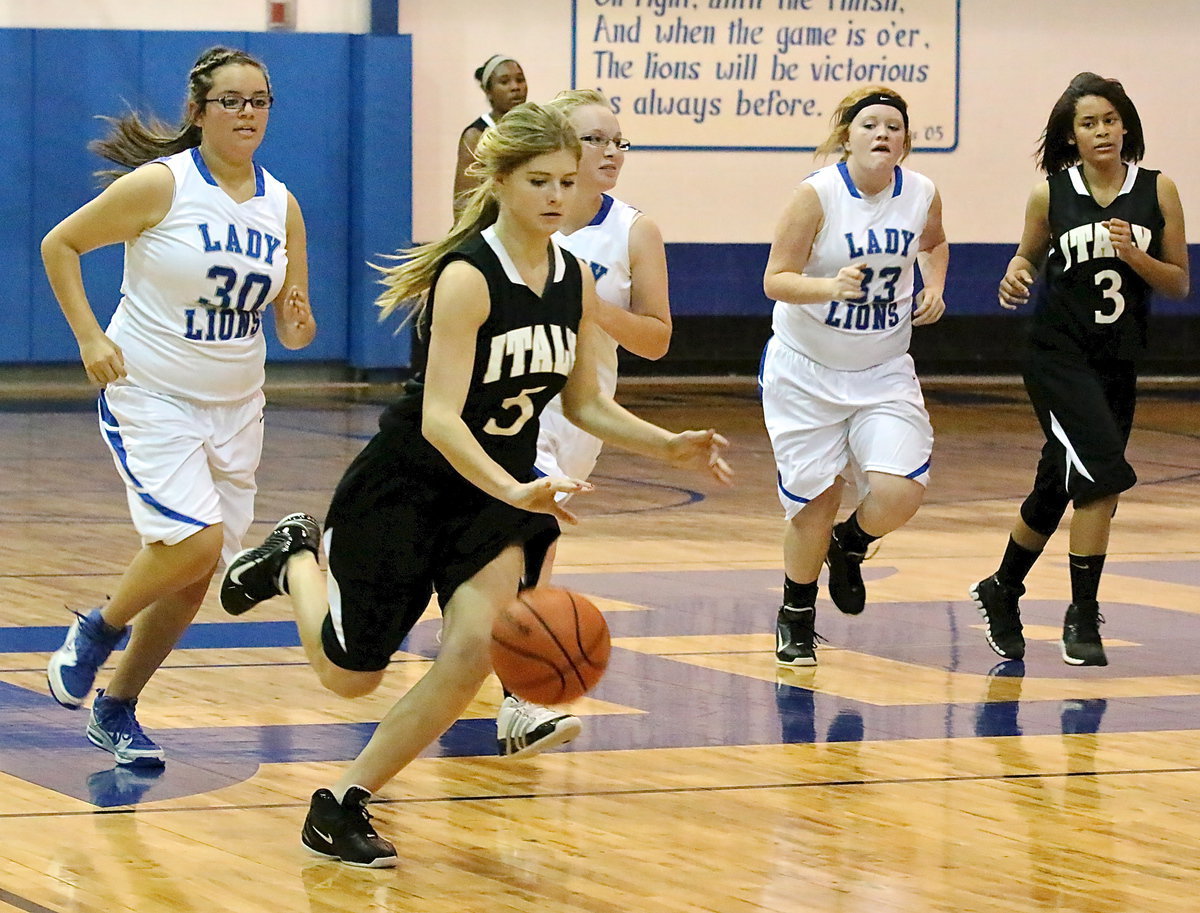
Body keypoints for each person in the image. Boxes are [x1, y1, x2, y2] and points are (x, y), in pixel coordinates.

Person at [218, 102, 731, 867]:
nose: (557, 195)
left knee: (472, 651)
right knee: (349, 676)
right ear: (499, 181)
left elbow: (584, 400)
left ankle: (341, 802)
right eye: (539, 181)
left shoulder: (574, 276)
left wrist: (669, 446)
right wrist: (513, 484)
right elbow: (440, 420)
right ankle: (294, 555)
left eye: (567, 180)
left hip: (495, 496)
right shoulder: (467, 277)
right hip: (408, 486)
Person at [40, 45, 315, 766]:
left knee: (197, 576)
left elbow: (292, 323)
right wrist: (89, 337)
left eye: (259, 100)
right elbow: (60, 244)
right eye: (231, 100)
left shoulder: (281, 204)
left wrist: (297, 319)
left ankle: (118, 705)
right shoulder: (163, 185)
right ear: (200, 112)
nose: (247, 112)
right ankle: (96, 629)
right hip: (152, 393)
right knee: (191, 543)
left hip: (236, 405)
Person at [970, 73, 1188, 667]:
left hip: (1119, 362)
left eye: (1110, 120)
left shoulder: (1158, 189)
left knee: (1058, 484)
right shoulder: (1051, 194)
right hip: (1058, 358)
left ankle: (1002, 588)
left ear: (1126, 124)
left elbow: (1178, 281)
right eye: (1089, 123)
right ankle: (1081, 616)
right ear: (1072, 135)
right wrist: (1014, 273)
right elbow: (1027, 256)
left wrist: (1135, 255)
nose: (1102, 131)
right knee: (1103, 482)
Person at [501, 88, 672, 756]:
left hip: (582, 411)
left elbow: (656, 339)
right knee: (528, 537)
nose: (611, 153)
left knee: (522, 547)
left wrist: (592, 306)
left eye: (618, 141)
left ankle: (509, 681)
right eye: (595, 139)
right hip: (510, 402)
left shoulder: (633, 230)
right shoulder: (516, 217)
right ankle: (521, 698)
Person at [761, 86, 948, 667]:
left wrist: (934, 284)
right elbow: (775, 278)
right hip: (806, 369)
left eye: (893, 126)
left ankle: (852, 544)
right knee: (815, 500)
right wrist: (828, 286)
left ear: (905, 142)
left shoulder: (921, 193)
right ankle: (796, 613)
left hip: (882, 367)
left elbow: (935, 244)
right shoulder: (815, 196)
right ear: (848, 136)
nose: (882, 134)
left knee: (899, 491)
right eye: (870, 124)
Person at [453, 54, 528, 218]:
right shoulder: (475, 135)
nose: (515, 87)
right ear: (488, 91)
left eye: (520, 80)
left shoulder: (535, 128)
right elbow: (464, 201)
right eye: (504, 82)